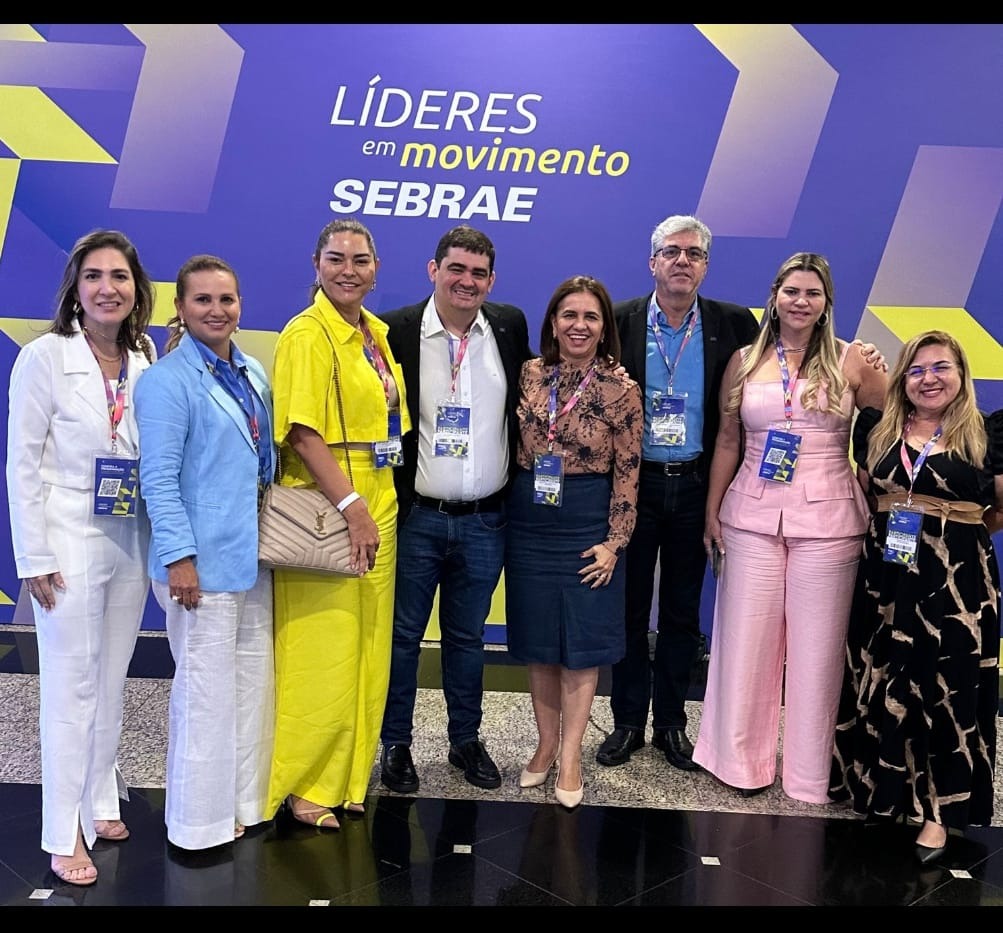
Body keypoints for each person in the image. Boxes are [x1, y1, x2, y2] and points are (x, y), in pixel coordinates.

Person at [692, 251, 889, 803]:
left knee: (819, 650)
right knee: (744, 641)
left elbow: (884, 440)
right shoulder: (743, 360)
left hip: (829, 522)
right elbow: (728, 441)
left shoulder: (856, 362)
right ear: (774, 296)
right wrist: (712, 511)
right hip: (750, 515)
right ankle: (737, 761)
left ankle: (810, 773)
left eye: (813, 293)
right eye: (791, 291)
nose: (801, 302)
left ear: (827, 304)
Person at [5, 229, 155, 886]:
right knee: (71, 683)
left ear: (136, 289)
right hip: (64, 532)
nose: (106, 288)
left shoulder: (147, 356)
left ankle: (98, 797)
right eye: (94, 276)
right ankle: (62, 826)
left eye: (118, 276)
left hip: (128, 533)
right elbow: (21, 463)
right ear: (75, 286)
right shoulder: (44, 356)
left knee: (112, 672)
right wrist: (32, 555)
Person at [829, 330, 1002, 864]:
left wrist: (952, 531)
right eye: (918, 369)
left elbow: (998, 512)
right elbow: (867, 491)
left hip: (956, 584)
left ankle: (939, 814)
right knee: (883, 679)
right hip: (886, 578)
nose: (929, 379)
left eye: (941, 368)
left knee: (945, 691)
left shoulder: (986, 434)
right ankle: (882, 793)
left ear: (961, 374)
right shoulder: (876, 430)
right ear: (902, 378)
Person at [598, 215, 760, 771]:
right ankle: (625, 722)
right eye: (671, 252)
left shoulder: (734, 324)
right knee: (629, 608)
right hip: (633, 485)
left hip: (696, 484)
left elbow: (791, 359)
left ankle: (671, 723)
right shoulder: (617, 321)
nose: (682, 261)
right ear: (653, 262)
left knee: (682, 614)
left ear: (706, 266)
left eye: (693, 253)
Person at [379, 225, 533, 794]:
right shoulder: (394, 330)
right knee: (403, 637)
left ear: (491, 280)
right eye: (456, 269)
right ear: (433, 270)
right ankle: (396, 743)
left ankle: (465, 739)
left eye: (478, 273)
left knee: (468, 637)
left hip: (486, 519)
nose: (467, 281)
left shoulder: (509, 326)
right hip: (417, 514)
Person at [266, 218, 409, 829]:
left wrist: (370, 505)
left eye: (360, 259)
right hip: (333, 503)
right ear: (316, 264)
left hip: (380, 497)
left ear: (376, 267)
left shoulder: (373, 334)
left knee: (367, 648)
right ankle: (303, 784)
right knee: (321, 650)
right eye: (336, 258)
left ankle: (348, 777)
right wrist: (351, 507)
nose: (348, 269)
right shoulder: (307, 334)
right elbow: (302, 430)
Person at [134, 255, 275, 850]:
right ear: (181, 309)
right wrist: (179, 558)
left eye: (227, 299)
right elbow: (158, 480)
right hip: (199, 567)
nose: (217, 310)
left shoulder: (252, 373)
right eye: (203, 301)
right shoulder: (165, 381)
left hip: (252, 559)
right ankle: (197, 824)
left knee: (250, 688)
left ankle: (242, 803)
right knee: (205, 694)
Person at [504, 275, 642, 809]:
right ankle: (543, 747)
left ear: (603, 326)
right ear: (553, 323)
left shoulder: (621, 389)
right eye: (569, 315)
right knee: (540, 643)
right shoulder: (530, 374)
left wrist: (615, 542)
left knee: (581, 648)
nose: (578, 326)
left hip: (588, 521)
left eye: (590, 317)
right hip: (531, 520)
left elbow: (629, 470)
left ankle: (571, 756)